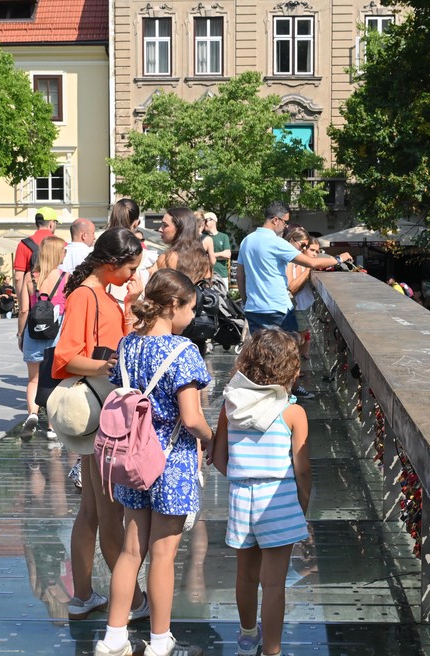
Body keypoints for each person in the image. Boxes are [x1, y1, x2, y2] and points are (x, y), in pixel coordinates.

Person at [95, 269, 212, 656]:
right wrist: (213, 440)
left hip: (133, 457)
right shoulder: (184, 351)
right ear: (173, 305)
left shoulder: (128, 344)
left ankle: (114, 638)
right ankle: (161, 643)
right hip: (171, 461)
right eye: (191, 309)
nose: (193, 317)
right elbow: (191, 418)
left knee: (132, 550)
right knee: (163, 556)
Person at [51, 227, 147, 622]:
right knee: (108, 513)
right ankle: (135, 601)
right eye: (130, 269)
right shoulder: (85, 297)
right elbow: (65, 357)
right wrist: (110, 365)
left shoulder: (103, 295)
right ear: (111, 264)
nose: (132, 275)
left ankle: (83, 596)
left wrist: (131, 301)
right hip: (99, 411)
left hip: (103, 410)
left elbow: (117, 335)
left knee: (92, 510)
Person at [210, 328, 312, 656]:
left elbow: (219, 459)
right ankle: (272, 649)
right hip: (278, 500)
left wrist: (242, 476)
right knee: (273, 584)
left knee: (245, 576)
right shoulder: (293, 413)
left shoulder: (230, 407)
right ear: (290, 369)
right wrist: (301, 506)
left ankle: (246, 636)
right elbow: (303, 471)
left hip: (242, 498)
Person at [237, 201, 351, 334]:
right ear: (275, 220)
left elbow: (240, 275)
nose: (285, 227)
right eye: (285, 222)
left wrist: (246, 300)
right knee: (286, 351)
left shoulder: (247, 241)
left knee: (261, 352)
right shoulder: (277, 243)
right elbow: (312, 263)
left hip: (254, 309)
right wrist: (338, 259)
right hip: (277, 309)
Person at [17, 237, 67, 437]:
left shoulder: (30, 277)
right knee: (54, 379)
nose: (65, 254)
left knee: (33, 379)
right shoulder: (65, 277)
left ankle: (32, 414)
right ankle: (52, 427)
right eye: (63, 251)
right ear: (57, 253)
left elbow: (23, 310)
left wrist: (20, 334)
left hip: (33, 331)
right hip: (57, 331)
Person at [284, 228, 318, 400]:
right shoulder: (290, 259)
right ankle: (292, 387)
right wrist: (310, 267)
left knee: (295, 345)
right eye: (307, 247)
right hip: (292, 307)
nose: (309, 251)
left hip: (294, 306)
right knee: (293, 346)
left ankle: (291, 386)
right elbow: (293, 288)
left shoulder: (291, 257)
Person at [14, 207, 60, 305]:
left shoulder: (24, 244)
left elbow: (18, 277)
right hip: (56, 305)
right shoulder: (61, 245)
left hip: (33, 303)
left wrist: (22, 302)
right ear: (51, 224)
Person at [155, 208, 212, 284]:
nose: (160, 229)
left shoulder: (166, 259)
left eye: (165, 225)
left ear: (180, 229)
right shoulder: (203, 259)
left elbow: (160, 292)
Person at [202, 212, 232, 287]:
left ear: (214, 221)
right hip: (206, 275)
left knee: (223, 297)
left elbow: (227, 255)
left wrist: (209, 255)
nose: (203, 223)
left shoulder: (224, 237)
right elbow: (201, 256)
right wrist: (220, 254)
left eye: (205, 220)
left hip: (222, 275)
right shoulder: (203, 238)